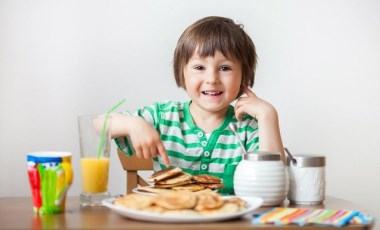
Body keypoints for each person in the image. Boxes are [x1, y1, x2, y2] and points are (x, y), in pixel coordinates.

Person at [110, 16, 284, 194]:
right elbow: (96, 126)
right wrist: (134, 124)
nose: (211, 79)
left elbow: (273, 187)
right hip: (171, 218)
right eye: (199, 68)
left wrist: (268, 116)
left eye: (225, 68)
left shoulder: (248, 127)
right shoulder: (163, 116)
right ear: (182, 72)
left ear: (243, 76)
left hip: (232, 220)